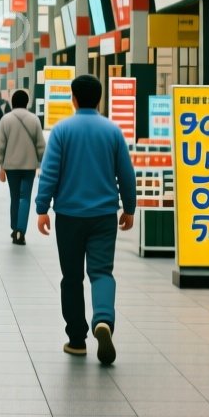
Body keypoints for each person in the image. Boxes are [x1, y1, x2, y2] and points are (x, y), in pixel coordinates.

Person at [35, 74, 136, 365]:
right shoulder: (112, 131)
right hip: (104, 216)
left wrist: (42, 208)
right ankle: (103, 319)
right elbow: (126, 174)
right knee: (102, 272)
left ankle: (77, 340)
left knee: (72, 277)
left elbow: (50, 172)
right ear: (100, 99)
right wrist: (129, 207)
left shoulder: (62, 131)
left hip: (69, 216)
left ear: (74, 99)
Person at [0, 89, 45, 244]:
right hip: (29, 166)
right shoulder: (34, 119)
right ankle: (21, 231)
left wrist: (1, 164)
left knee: (15, 197)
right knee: (25, 197)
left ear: (12, 102)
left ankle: (15, 228)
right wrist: (41, 163)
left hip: (11, 167)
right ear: (27, 103)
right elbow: (41, 145)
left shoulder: (6, 119)